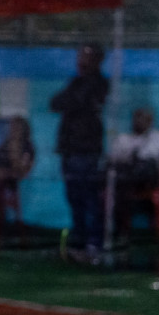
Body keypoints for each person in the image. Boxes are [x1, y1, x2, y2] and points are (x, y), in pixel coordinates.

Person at [49, 44, 109, 258]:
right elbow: (56, 103)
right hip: (70, 149)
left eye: (86, 57)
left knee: (88, 196)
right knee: (75, 196)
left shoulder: (99, 83)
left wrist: (71, 101)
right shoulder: (76, 82)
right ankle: (80, 240)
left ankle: (93, 241)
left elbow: (75, 102)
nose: (81, 62)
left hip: (86, 149)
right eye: (80, 56)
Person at [108, 107, 159, 235]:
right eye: (137, 118)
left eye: (144, 119)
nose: (139, 122)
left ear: (150, 121)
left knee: (148, 164)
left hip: (151, 181)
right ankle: (120, 233)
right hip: (127, 182)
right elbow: (113, 161)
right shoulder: (123, 140)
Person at [0, 115, 35, 237]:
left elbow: (21, 171)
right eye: (12, 127)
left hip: (9, 183)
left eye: (16, 127)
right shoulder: (2, 146)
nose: (12, 129)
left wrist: (14, 148)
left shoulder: (27, 148)